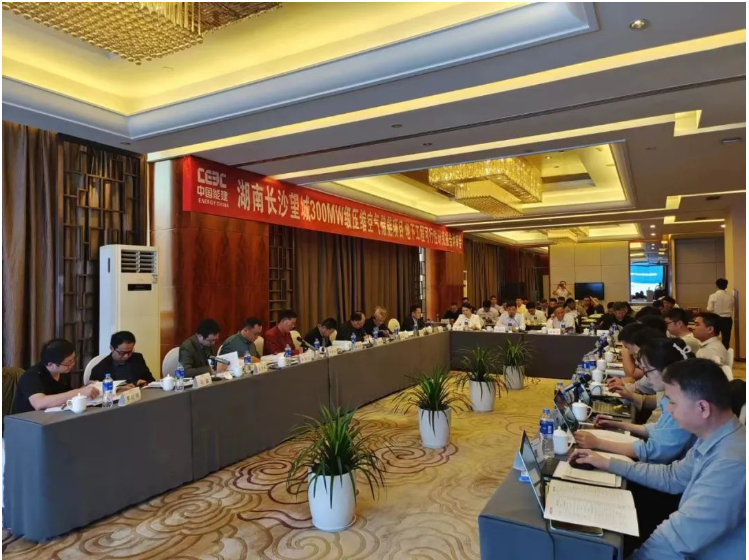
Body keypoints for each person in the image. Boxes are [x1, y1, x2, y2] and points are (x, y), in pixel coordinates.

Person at [570, 359, 745, 560]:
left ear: (703, 408)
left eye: (673, 402)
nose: (668, 410)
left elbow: (678, 540)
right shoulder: (715, 437)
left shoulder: (731, 464)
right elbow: (672, 476)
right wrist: (607, 463)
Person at [575, 338, 696, 463]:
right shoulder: (672, 396)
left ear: (666, 369)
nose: (646, 377)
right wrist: (618, 424)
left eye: (647, 371)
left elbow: (652, 452)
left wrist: (598, 443)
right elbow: (659, 429)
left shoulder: (681, 405)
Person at [12, 339, 100, 413]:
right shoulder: (31, 376)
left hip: (54, 417)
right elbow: (39, 403)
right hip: (29, 421)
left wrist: (85, 389)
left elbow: (66, 396)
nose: (72, 364)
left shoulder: (63, 372)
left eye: (73, 360)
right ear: (51, 365)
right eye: (68, 363)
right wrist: (78, 392)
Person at [90, 331, 155, 387]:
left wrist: (144, 382)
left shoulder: (137, 358)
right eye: (122, 353)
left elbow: (151, 380)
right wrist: (121, 388)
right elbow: (95, 389)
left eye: (130, 352)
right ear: (111, 348)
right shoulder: (99, 369)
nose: (126, 356)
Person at [707, 278, 733, 348]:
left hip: (716, 319)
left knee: (713, 338)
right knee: (726, 340)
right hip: (728, 319)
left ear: (716, 285)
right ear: (726, 286)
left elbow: (709, 309)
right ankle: (725, 353)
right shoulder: (730, 296)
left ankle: (715, 352)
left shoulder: (713, 296)